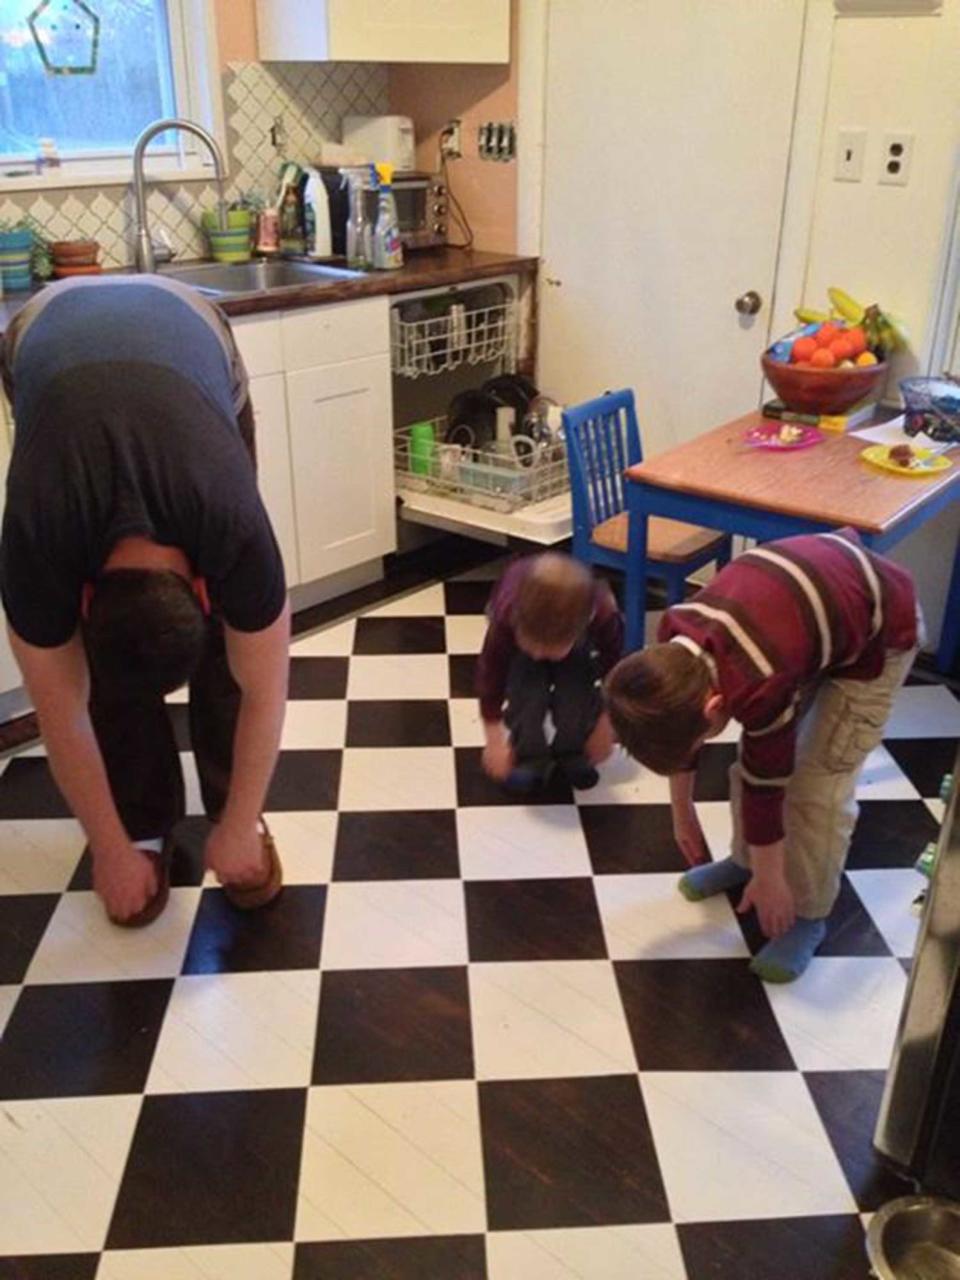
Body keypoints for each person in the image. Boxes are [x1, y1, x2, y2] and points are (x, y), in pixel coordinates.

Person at [0, 275, 290, 927]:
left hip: (189, 321)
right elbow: (60, 709)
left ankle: (232, 810)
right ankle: (139, 826)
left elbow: (266, 686)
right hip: (41, 332)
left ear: (202, 588)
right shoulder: (35, 536)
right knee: (105, 680)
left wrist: (239, 826)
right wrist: (109, 850)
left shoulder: (232, 521)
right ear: (80, 596)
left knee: (234, 654)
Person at [605, 529, 919, 983]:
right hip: (811, 621)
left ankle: (809, 914)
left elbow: (767, 781)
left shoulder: (760, 678)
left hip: (879, 631)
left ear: (714, 706)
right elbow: (690, 740)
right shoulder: (675, 640)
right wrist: (682, 814)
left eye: (698, 740)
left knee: (816, 786)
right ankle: (745, 860)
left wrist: (775, 883)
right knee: (748, 765)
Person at [478, 553, 622, 794]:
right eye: (532, 644)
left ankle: (573, 752)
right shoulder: (506, 617)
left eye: (548, 649)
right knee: (527, 692)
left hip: (573, 643)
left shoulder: (603, 613)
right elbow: (491, 674)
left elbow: (617, 671)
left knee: (577, 692)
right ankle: (528, 757)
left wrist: (605, 725)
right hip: (520, 630)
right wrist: (494, 740)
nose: (537, 654)